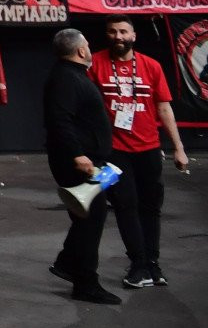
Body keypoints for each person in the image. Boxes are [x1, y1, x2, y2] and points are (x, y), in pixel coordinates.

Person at [87, 17, 189, 288]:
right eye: (112, 31)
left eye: (123, 31)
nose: (117, 36)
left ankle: (153, 264)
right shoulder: (94, 64)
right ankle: (138, 264)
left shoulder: (151, 66)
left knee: (151, 207)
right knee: (124, 206)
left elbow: (164, 108)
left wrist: (178, 148)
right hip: (112, 152)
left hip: (149, 149)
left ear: (134, 35)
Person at [43, 27, 126, 304]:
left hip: (91, 161)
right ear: (80, 50)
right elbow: (60, 121)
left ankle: (67, 262)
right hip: (79, 163)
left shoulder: (72, 75)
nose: (90, 49)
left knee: (88, 217)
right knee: (92, 219)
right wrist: (78, 155)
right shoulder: (65, 78)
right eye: (88, 45)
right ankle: (86, 284)